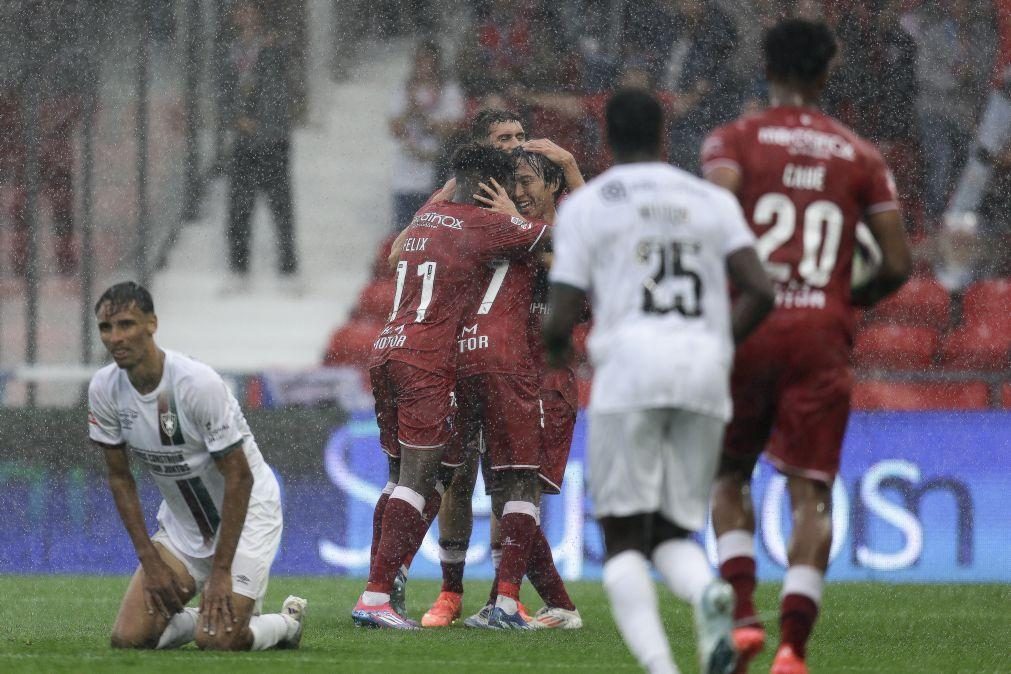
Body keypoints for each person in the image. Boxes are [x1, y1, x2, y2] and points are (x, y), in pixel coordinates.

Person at [700, 19, 912, 674]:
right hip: (821, 331)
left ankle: (741, 616)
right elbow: (897, 264)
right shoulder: (859, 155)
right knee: (809, 495)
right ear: (826, 74)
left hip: (748, 326)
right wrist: (845, 299)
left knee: (726, 474)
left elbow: (711, 224)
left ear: (764, 69)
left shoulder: (732, 141)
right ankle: (792, 648)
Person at [544, 88, 774, 674]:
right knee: (673, 532)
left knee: (622, 540)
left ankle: (661, 667)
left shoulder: (589, 205)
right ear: (666, 137)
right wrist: (719, 343)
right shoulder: (708, 199)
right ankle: (708, 595)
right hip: (702, 375)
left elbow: (562, 314)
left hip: (631, 372)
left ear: (604, 138)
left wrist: (558, 352)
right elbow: (761, 288)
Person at [352, 143, 550, 629]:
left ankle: (383, 589)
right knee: (423, 478)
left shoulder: (423, 220)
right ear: (492, 186)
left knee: (400, 477)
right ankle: (376, 596)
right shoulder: (480, 223)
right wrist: (530, 199)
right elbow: (563, 239)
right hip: (427, 359)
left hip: (386, 348)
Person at [87, 281, 305, 651]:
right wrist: (150, 561)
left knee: (218, 641)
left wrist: (220, 572)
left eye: (126, 324)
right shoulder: (104, 389)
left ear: (152, 324)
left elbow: (239, 477)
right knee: (129, 639)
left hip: (247, 513)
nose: (115, 337)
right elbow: (121, 479)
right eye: (106, 328)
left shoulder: (196, 384)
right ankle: (208, 618)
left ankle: (287, 624)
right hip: (184, 525)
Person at [423, 146, 584, 631]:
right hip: (506, 377)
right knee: (507, 496)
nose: (519, 192)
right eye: (514, 182)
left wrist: (572, 171)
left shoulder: (564, 240)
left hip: (544, 384)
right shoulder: (505, 234)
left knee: (519, 492)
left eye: (530, 181)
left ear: (554, 186)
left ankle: (511, 601)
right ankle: (546, 605)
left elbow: (589, 272)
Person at [221, 0, 299, 293]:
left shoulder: (275, 46)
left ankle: (289, 270)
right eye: (239, 9)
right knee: (239, 207)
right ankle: (238, 270)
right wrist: (234, 119)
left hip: (274, 139)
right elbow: (223, 91)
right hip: (243, 141)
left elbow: (286, 85)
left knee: (281, 206)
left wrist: (267, 123)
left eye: (248, 8)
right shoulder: (229, 51)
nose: (244, 15)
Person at [388, 39, 465, 231]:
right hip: (405, 177)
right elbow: (395, 128)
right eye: (419, 60)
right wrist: (410, 109)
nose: (423, 65)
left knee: (434, 237)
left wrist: (427, 120)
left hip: (437, 175)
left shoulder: (449, 90)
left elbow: (454, 127)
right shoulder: (403, 90)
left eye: (427, 60)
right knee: (403, 236)